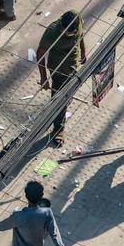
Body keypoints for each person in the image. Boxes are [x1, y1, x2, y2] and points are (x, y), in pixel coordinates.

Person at [36, 10, 87, 147]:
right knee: (60, 100)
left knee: (67, 95)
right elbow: (40, 54)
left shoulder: (77, 20)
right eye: (66, 31)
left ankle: (63, 104)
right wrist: (44, 78)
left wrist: (83, 52)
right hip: (58, 69)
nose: (68, 34)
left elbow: (80, 36)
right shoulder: (52, 32)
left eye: (71, 32)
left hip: (73, 66)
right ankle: (58, 129)